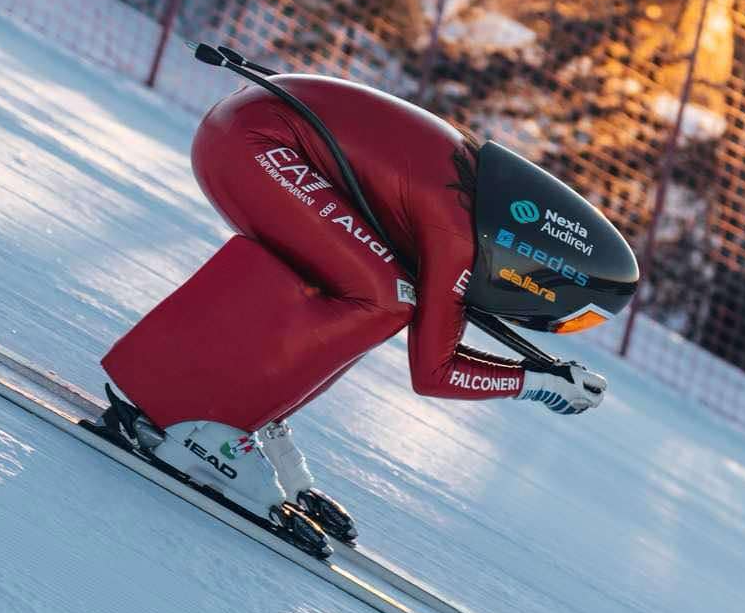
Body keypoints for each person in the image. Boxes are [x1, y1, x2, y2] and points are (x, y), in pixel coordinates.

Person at [94, 72, 638, 542]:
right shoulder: (458, 239)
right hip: (255, 142)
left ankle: (242, 419)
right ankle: (205, 429)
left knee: (378, 289)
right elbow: (434, 372)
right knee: (386, 296)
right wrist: (537, 384)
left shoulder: (471, 208)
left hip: (250, 131)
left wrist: (538, 375)